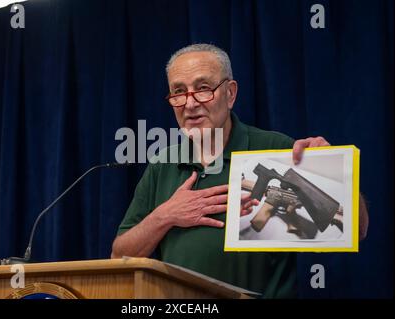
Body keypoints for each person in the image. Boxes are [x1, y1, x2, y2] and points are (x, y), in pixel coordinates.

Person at [111, 44, 368, 298]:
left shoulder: (274, 149)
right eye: (178, 92)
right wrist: (164, 216)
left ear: (230, 94)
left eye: (203, 89)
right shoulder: (162, 163)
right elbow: (119, 255)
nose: (190, 104)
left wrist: (331, 172)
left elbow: (357, 228)